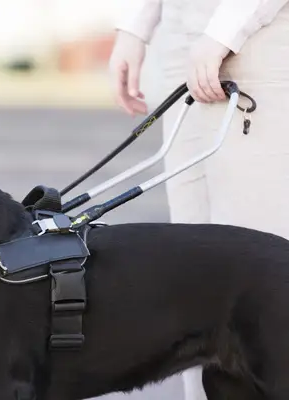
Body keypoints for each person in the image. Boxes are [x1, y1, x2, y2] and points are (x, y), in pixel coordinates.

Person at [108, 0, 289, 399]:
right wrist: (134, 27)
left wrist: (223, 32)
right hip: (183, 39)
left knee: (261, 278)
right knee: (197, 289)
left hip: (255, 39)